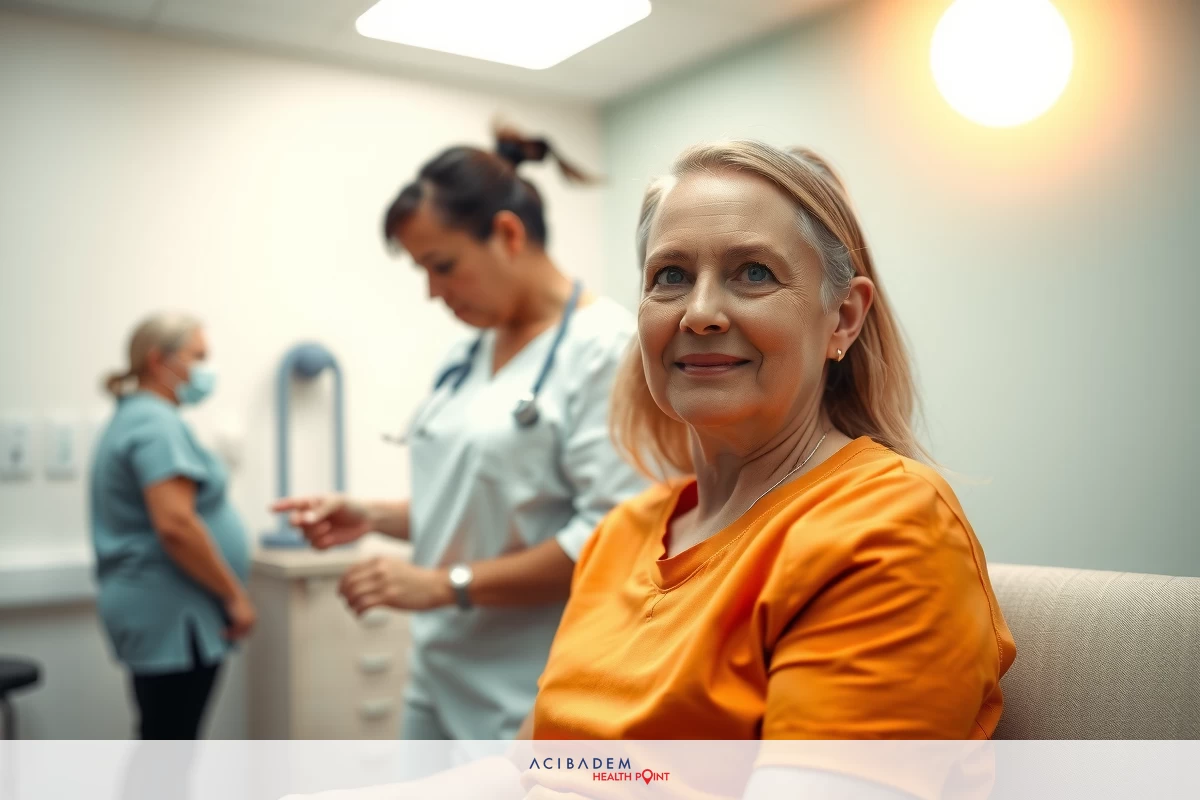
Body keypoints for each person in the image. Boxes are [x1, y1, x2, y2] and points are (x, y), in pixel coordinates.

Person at [278, 140, 1017, 798]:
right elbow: (532, 766)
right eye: (669, 276)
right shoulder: (625, 535)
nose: (699, 312)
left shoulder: (886, 528)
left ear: (843, 319)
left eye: (753, 273)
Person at [272, 126, 647, 741]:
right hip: (439, 672)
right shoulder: (470, 352)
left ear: (507, 234)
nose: (432, 292)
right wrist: (369, 514)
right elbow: (484, 505)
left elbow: (609, 541)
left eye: (442, 266)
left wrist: (444, 586)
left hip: (533, 690)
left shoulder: (606, 348)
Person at [90, 313, 254, 740]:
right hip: (172, 614)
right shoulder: (155, 424)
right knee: (168, 752)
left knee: (163, 746)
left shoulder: (139, 417)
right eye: (198, 357)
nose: (207, 370)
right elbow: (176, 525)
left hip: (165, 610)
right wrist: (234, 596)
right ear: (159, 360)